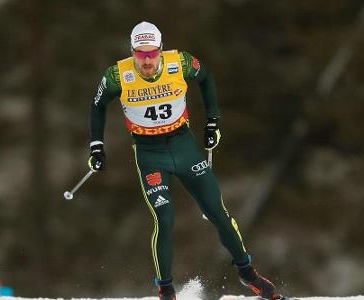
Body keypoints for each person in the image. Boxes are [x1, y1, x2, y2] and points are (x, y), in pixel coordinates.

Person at [88, 21, 285, 300]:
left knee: (217, 211)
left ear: (160, 49)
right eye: (140, 54)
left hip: (184, 146)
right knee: (165, 219)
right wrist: (97, 146)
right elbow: (98, 105)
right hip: (149, 153)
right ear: (132, 51)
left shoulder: (179, 62)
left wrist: (212, 123)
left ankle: (247, 272)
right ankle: (166, 289)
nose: (146, 61)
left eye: (151, 53)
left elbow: (205, 77)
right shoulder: (117, 75)